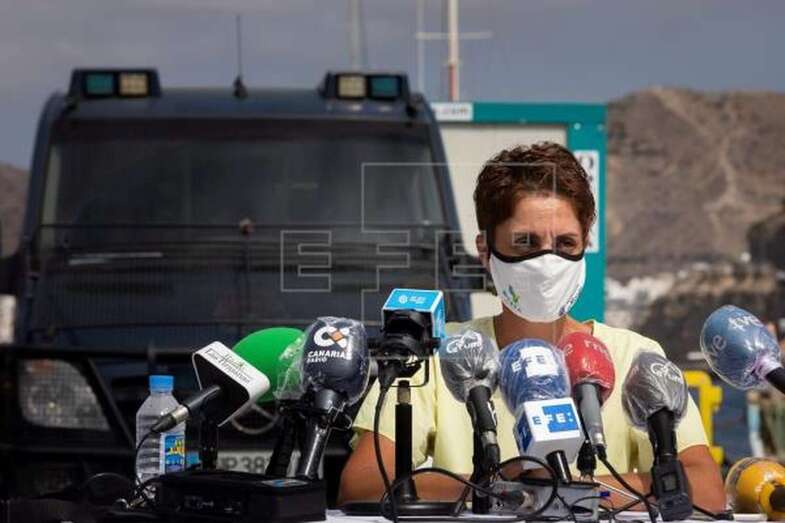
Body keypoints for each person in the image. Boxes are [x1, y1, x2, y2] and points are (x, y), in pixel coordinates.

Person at [337, 142, 725, 511]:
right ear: (485, 250)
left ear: (585, 245)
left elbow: (705, 489)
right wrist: (501, 486)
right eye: (525, 242)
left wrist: (564, 493)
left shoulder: (634, 357)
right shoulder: (439, 355)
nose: (546, 262)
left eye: (566, 243)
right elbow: (362, 483)